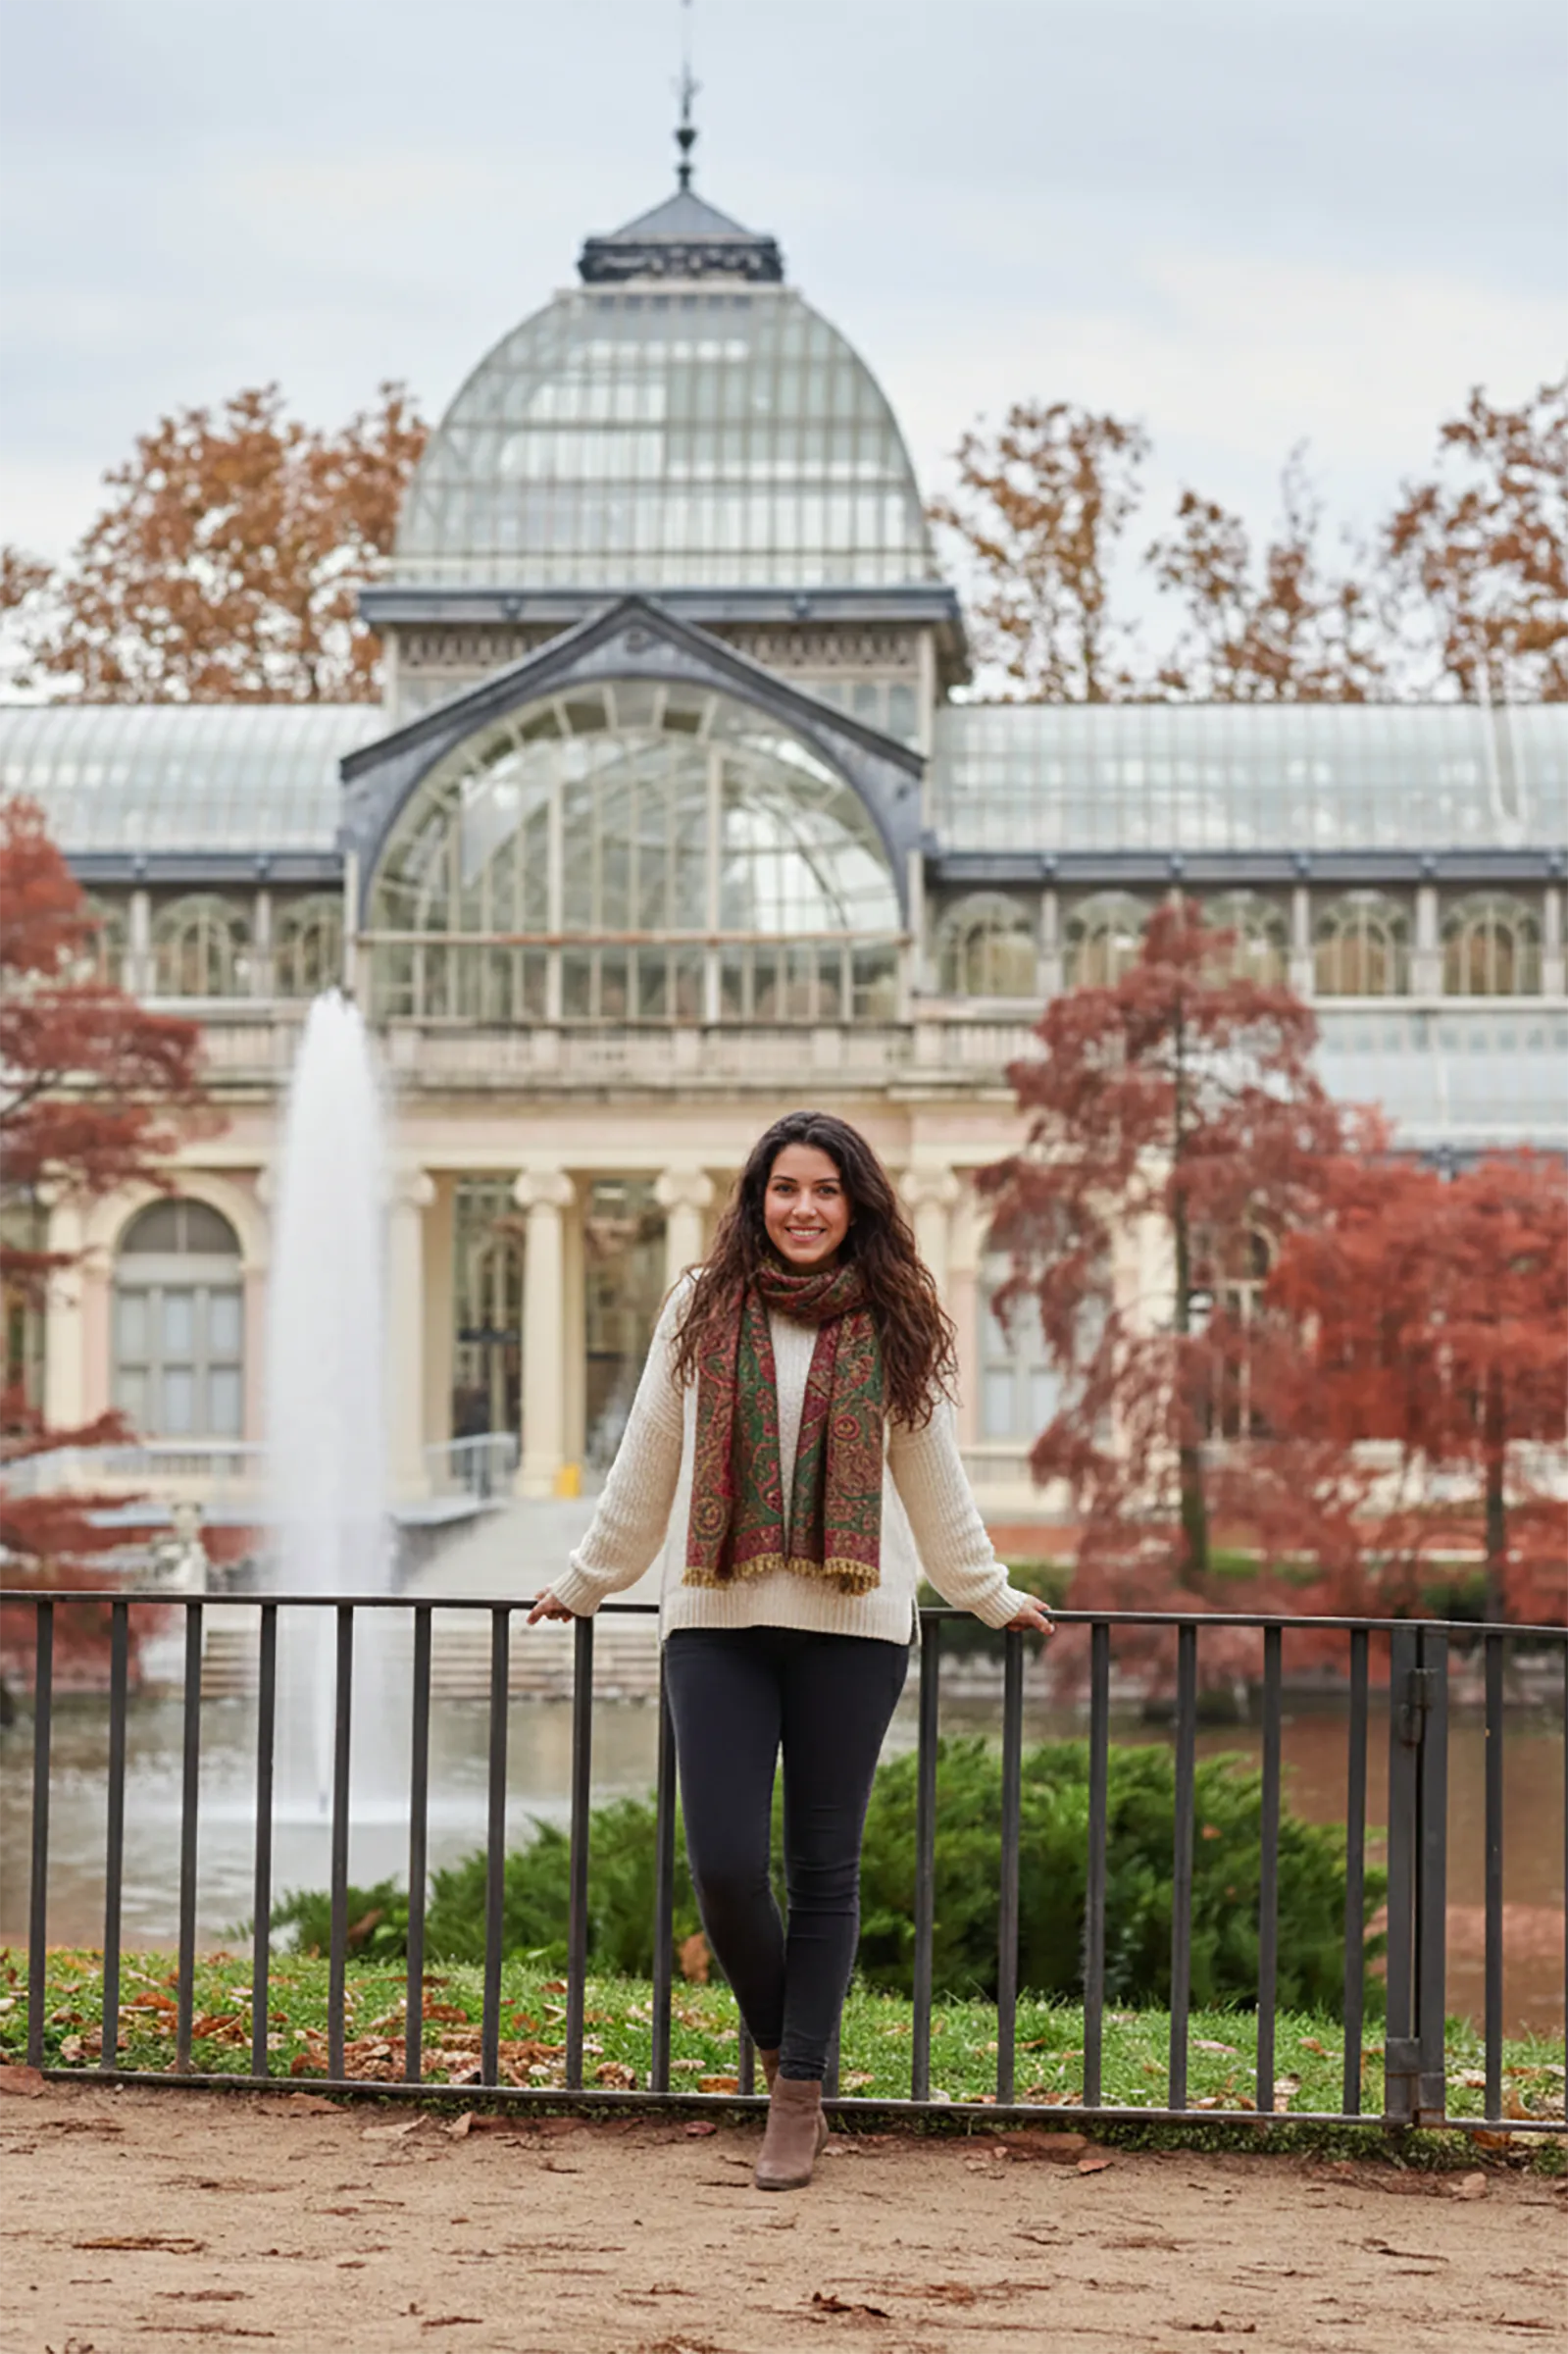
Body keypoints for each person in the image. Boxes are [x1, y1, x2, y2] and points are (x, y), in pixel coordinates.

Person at [529, 1110, 1053, 2190]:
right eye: (784, 1189)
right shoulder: (698, 1306)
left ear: (854, 1202)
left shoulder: (900, 1318)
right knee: (722, 1864)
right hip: (716, 1618)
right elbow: (646, 1465)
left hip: (852, 1628)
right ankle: (785, 2052)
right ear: (754, 1200)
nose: (803, 1208)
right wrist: (588, 1581)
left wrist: (989, 1595)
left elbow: (934, 1483)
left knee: (823, 1869)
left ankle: (798, 2094)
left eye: (824, 1189)